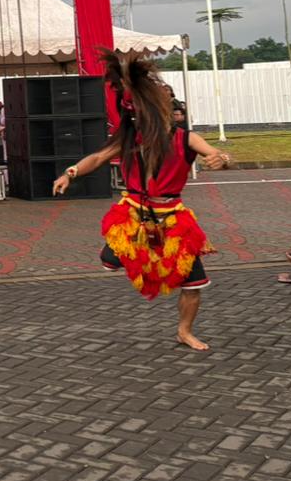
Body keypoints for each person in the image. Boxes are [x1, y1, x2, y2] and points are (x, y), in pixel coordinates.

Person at [53, 51, 230, 351]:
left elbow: (216, 154)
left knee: (195, 284)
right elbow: (96, 158)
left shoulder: (185, 137)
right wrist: (70, 172)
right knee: (110, 259)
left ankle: (184, 331)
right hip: (135, 213)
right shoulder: (130, 140)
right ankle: (140, 260)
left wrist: (222, 158)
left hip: (173, 216)